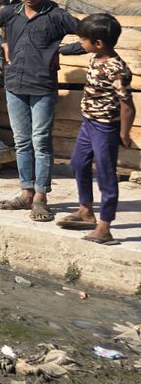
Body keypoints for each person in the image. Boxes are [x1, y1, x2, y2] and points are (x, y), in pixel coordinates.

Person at [0, 0, 80, 222]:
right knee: (23, 142)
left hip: (43, 88)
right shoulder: (11, 11)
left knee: (41, 142)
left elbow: (90, 35)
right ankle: (25, 193)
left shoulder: (56, 16)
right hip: (14, 85)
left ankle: (40, 198)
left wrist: (61, 52)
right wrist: (1, 43)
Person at [57, 13, 134, 244]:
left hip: (105, 128)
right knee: (78, 164)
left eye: (83, 40)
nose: (80, 43)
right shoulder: (96, 57)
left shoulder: (116, 69)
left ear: (98, 43)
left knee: (106, 175)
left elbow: (127, 105)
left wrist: (123, 132)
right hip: (88, 124)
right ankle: (85, 211)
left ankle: (105, 226)